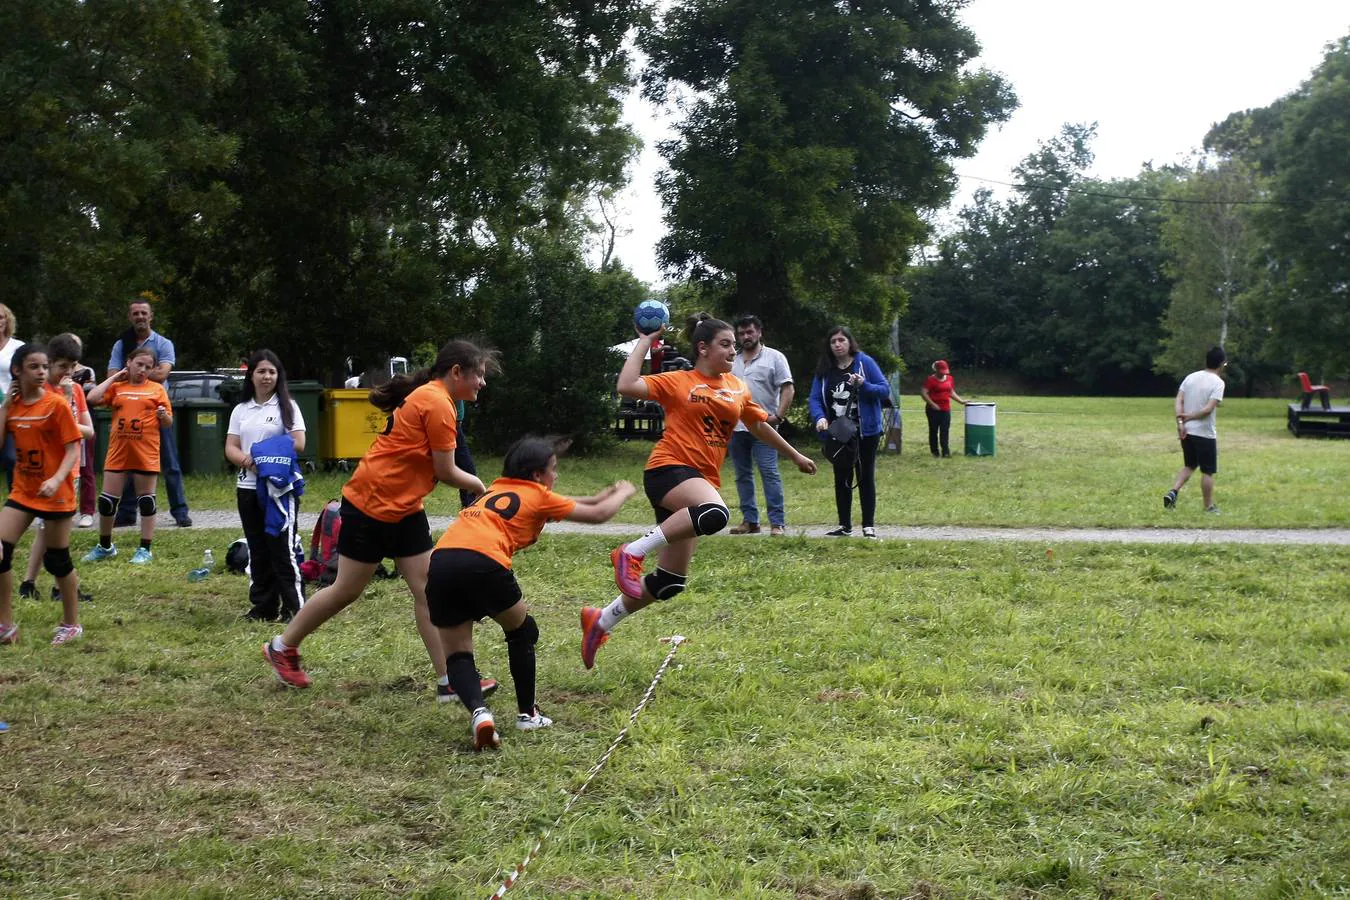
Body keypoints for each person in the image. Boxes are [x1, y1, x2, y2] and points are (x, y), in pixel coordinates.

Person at [262, 339, 498, 699]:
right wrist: (478, 484)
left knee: (429, 590)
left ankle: (450, 679)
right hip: (371, 505)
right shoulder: (437, 403)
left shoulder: (438, 399)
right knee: (346, 590)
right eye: (478, 375)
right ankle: (282, 647)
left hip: (403, 508)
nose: (482, 382)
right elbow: (447, 470)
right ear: (456, 373)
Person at [580, 314, 817, 670]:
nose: (732, 351)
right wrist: (646, 340)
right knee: (715, 514)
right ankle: (630, 552)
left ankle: (600, 621)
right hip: (668, 470)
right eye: (725, 344)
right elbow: (626, 385)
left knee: (669, 581)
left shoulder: (738, 386)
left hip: (699, 481)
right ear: (702, 348)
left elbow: (758, 426)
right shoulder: (679, 381)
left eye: (734, 345)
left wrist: (795, 455)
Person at [431, 437, 637, 749]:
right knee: (523, 631)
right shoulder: (538, 496)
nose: (556, 476)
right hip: (484, 562)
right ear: (538, 475)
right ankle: (527, 715)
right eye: (554, 470)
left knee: (458, 654)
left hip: (442, 562)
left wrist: (595, 496)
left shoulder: (496, 490)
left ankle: (480, 714)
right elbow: (597, 516)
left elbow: (555, 502)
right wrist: (622, 492)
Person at [0, 344, 86, 646]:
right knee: (0, 551)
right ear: (17, 370)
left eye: (44, 367)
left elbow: (72, 448)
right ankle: (5, 626)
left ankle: (71, 624)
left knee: (57, 561)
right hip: (24, 491)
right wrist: (5, 408)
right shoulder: (13, 406)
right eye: (34, 367)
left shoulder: (56, 405)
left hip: (56, 493)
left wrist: (56, 478)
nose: (41, 373)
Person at [225, 350, 307, 622]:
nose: (266, 376)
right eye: (261, 371)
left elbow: (298, 442)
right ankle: (264, 607)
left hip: (278, 489)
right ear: (252, 375)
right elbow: (231, 447)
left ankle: (295, 609)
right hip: (247, 488)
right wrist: (248, 461)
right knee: (258, 550)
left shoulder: (288, 407)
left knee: (281, 548)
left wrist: (264, 456)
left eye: (272, 372)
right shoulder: (241, 409)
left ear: (278, 376)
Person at [18, 335, 96, 602]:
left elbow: (88, 431)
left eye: (73, 366)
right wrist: (63, 402)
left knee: (51, 531)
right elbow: (47, 431)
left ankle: (39, 584)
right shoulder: (41, 391)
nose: (68, 372)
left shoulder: (74, 391)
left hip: (69, 471)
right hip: (44, 471)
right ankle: (50, 586)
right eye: (63, 365)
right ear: (49, 364)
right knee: (49, 531)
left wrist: (68, 407)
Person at [83, 347, 173, 564]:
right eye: (139, 364)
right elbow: (92, 397)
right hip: (119, 453)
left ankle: (145, 549)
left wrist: (163, 416)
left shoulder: (157, 390)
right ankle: (105, 546)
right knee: (106, 502)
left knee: (146, 501)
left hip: (145, 452)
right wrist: (116, 376)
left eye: (148, 367)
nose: (143, 370)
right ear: (129, 362)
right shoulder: (118, 387)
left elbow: (169, 422)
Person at [106, 296, 191, 527]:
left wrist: (133, 371)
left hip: (156, 411)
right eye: (136, 313)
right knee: (132, 464)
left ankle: (180, 511)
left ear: (151, 316)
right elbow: (111, 377)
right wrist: (140, 371)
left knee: (170, 463)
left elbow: (163, 374)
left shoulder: (163, 344)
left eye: (144, 313)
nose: (140, 317)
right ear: (130, 317)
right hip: (129, 411)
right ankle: (126, 513)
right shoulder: (120, 344)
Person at [808, 326, 889, 539]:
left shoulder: (865, 363)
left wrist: (864, 385)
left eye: (841, 340)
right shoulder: (825, 369)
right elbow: (815, 398)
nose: (837, 344)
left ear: (849, 342)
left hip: (865, 430)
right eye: (833, 341)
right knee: (841, 476)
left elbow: (884, 390)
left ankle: (868, 526)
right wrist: (820, 417)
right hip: (839, 430)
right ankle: (845, 525)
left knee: (865, 475)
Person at [728, 315, 795, 536]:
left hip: (763, 426)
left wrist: (779, 415)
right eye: (741, 333)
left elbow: (788, 388)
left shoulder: (775, 357)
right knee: (742, 475)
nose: (746, 336)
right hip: (736, 428)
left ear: (759, 332)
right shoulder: (732, 360)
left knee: (769, 472)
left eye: (750, 332)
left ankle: (777, 523)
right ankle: (750, 521)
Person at [1164, 346, 1227, 514]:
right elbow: (1207, 410)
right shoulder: (1218, 383)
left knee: (1190, 465)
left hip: (1187, 431)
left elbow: (1179, 399)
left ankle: (1173, 492)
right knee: (1207, 471)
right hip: (1204, 433)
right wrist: (1188, 418)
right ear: (1221, 364)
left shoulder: (1190, 377)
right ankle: (1208, 507)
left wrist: (1180, 421)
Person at [0, 304, 26, 490]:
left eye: (1, 317)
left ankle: (17, 503)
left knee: (12, 458)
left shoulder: (18, 348)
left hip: (13, 408)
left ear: (7, 321)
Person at [920, 359, 968, 458]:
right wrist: (932, 404)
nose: (943, 374)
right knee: (933, 430)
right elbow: (923, 392)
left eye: (945, 372)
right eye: (941, 372)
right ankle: (935, 452)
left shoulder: (950, 379)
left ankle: (946, 452)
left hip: (946, 409)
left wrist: (961, 401)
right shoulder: (930, 380)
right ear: (936, 370)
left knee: (945, 430)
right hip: (933, 410)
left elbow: (950, 392)